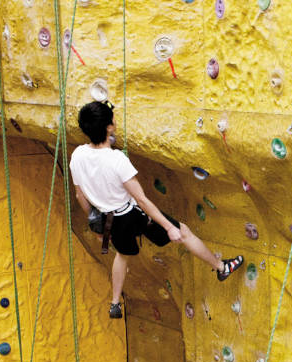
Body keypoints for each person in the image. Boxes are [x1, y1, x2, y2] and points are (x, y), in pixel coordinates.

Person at [70, 101, 242, 319]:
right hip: (128, 215)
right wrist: (169, 227)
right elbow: (141, 200)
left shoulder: (78, 155)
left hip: (107, 220)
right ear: (109, 128)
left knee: (123, 255)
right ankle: (220, 267)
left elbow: (80, 196)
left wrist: (96, 225)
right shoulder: (116, 161)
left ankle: (115, 302)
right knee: (184, 231)